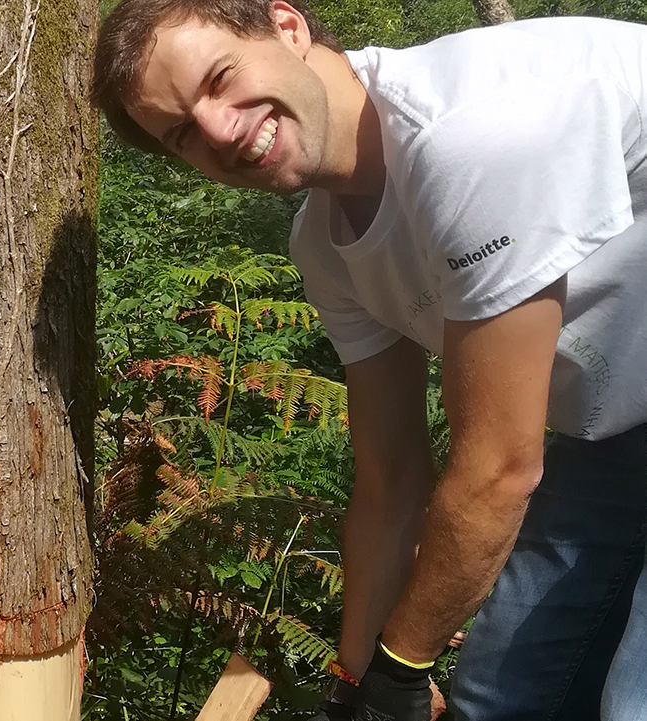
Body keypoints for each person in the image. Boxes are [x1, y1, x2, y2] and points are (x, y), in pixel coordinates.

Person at [93, 3, 647, 720]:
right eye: (182, 134)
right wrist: (354, 684)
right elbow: (392, 479)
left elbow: (498, 470)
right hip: (617, 434)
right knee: (498, 701)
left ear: (285, 26)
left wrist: (402, 667)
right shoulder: (325, 248)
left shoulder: (467, 137)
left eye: (220, 79)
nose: (220, 131)